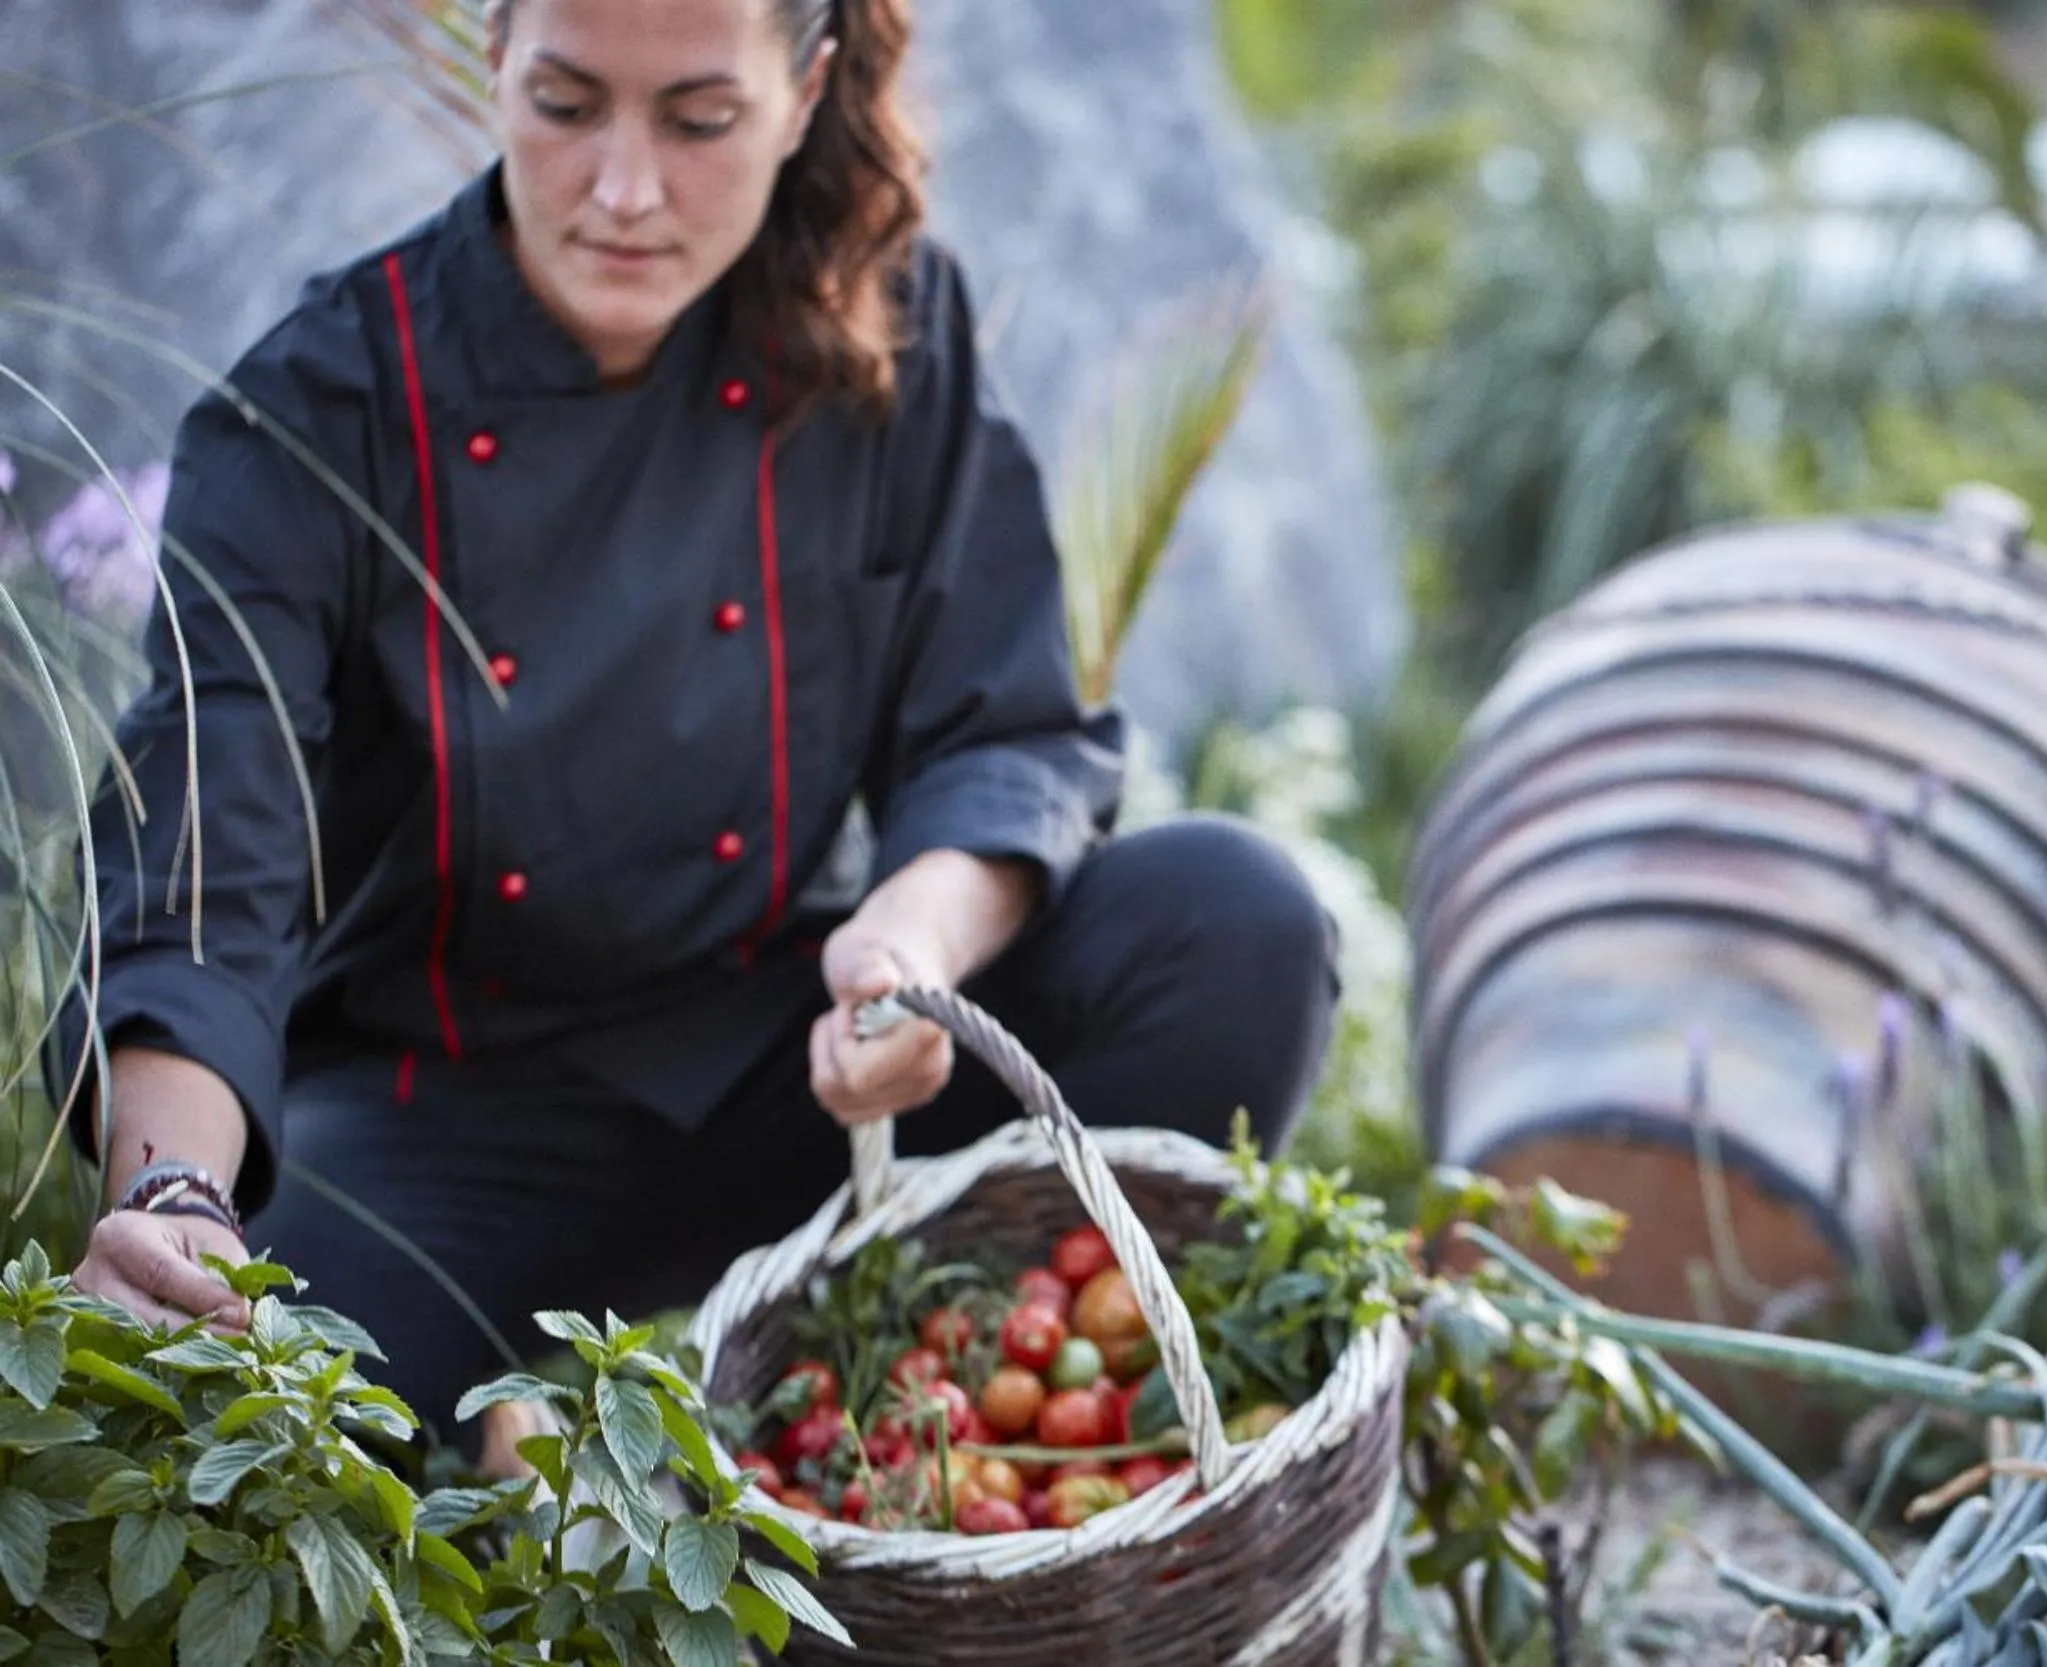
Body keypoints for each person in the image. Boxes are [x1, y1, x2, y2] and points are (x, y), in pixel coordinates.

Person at [55, 0, 1338, 1439]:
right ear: (496, 61)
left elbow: (1005, 734)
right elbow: (203, 864)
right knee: (246, 1389)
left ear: (803, 92)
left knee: (1235, 923)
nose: (622, 189)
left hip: (789, 1061)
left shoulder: (887, 330)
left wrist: (909, 949)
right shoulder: (318, 403)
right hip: (441, 1115)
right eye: (564, 102)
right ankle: (521, 1466)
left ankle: (925, 1425)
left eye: (697, 120)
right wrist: (175, 1200)